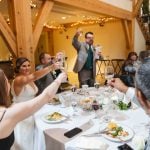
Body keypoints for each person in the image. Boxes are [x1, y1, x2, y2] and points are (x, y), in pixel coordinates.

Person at [0, 69, 67, 149]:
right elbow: (46, 95)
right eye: (7, 82)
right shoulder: (7, 113)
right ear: (4, 88)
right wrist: (59, 79)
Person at [11, 57, 60, 150]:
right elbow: (34, 76)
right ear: (18, 68)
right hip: (22, 113)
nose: (27, 68)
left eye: (28, 65)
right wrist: (51, 67)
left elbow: (32, 95)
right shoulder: (18, 80)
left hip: (32, 110)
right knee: (25, 141)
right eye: (23, 66)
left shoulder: (28, 79)